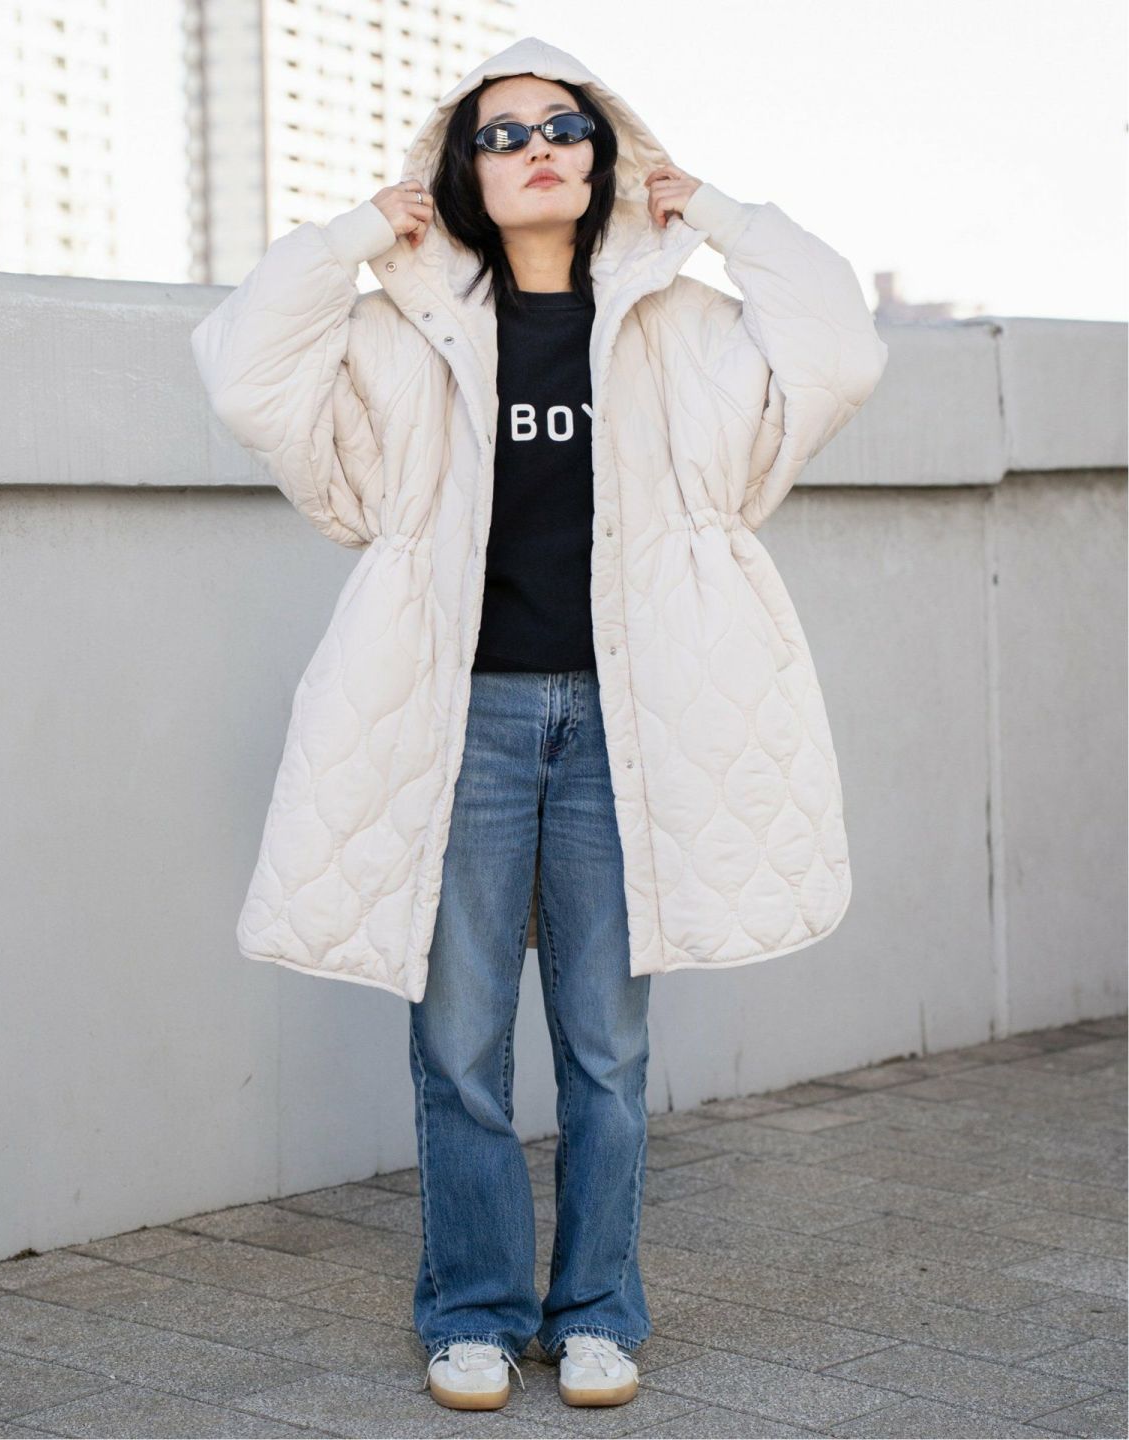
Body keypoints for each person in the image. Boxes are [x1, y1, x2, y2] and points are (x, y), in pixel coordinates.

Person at [190, 34, 888, 1418]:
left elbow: (841, 348)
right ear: (461, 168)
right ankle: (472, 1312)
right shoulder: (404, 330)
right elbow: (243, 375)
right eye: (501, 133)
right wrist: (349, 238)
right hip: (463, 723)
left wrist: (721, 216)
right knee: (456, 1041)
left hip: (627, 725)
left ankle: (598, 1314)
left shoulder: (683, 327)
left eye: (563, 125)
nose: (537, 148)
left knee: (606, 1049)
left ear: (607, 151)